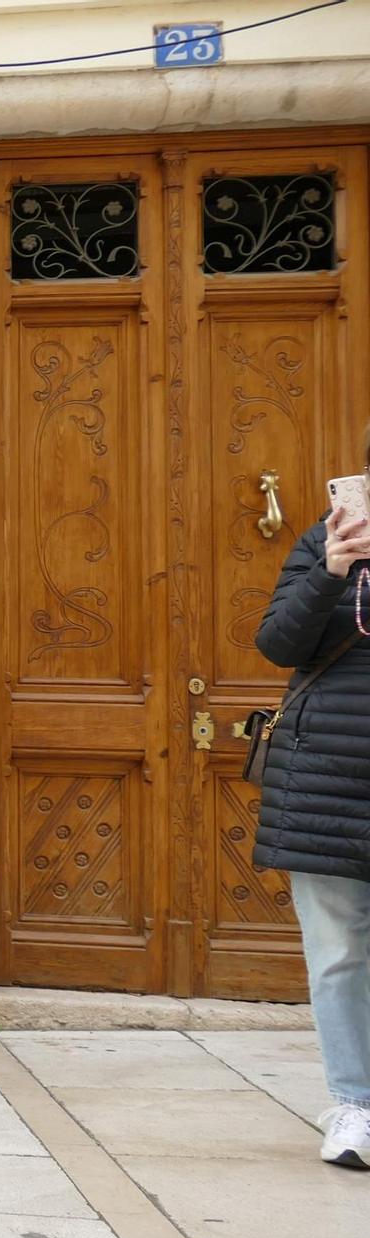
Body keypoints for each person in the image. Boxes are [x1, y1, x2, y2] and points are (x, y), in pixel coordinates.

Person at [253, 430, 370, 1171]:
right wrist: (331, 569)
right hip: (327, 774)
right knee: (337, 953)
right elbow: (277, 642)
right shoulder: (321, 544)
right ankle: (353, 1104)